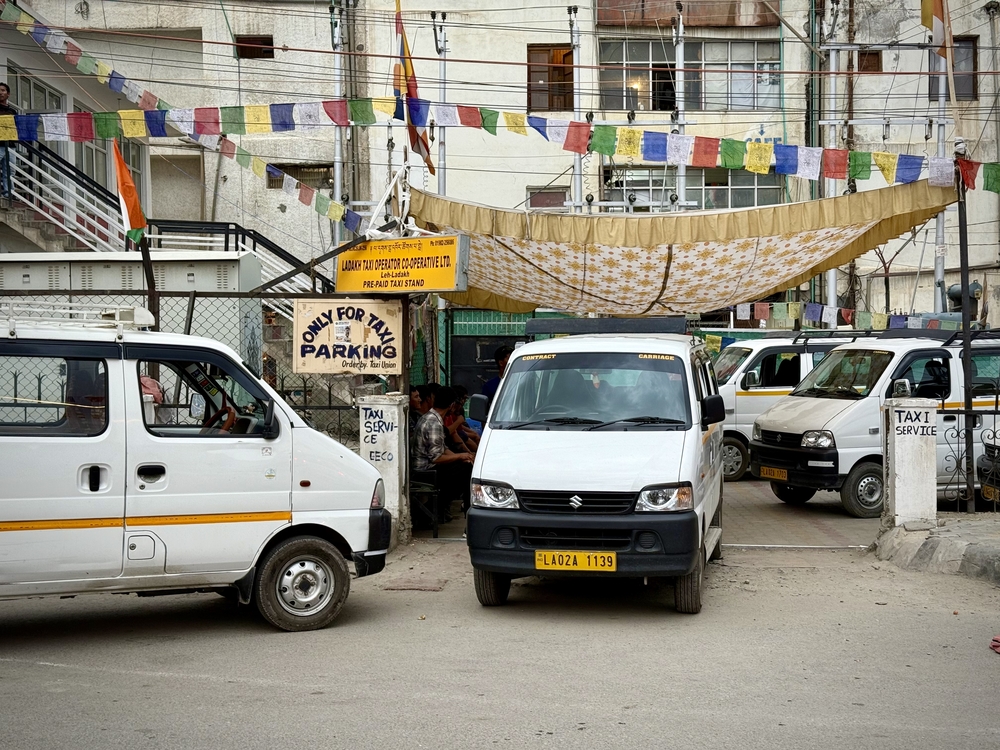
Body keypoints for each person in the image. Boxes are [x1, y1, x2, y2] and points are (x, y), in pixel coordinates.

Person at [412, 386, 474, 522]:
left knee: (466, 465)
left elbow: (443, 448)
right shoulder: (434, 422)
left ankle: (438, 511)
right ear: (452, 405)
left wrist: (463, 457)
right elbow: (436, 458)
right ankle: (467, 515)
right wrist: (459, 456)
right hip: (424, 471)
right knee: (465, 472)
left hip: (428, 466)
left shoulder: (431, 417)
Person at [0, 83, 17, 200]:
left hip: (10, 144)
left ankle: (8, 193)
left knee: (10, 171)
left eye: (3, 90)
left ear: (8, 94)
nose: (0, 92)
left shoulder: (12, 111)